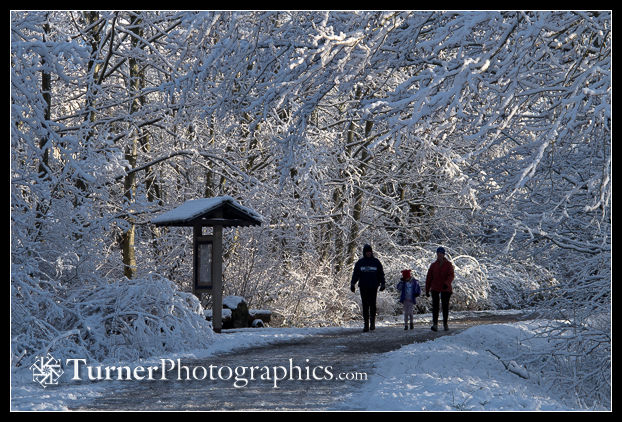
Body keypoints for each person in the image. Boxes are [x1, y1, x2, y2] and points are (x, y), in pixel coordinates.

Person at [350, 244, 386, 332]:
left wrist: (383, 284)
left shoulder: (376, 262)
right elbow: (356, 274)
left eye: (370, 252)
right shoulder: (360, 263)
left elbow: (381, 274)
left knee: (373, 305)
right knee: (365, 305)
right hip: (363, 286)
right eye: (367, 252)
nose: (368, 253)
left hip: (373, 286)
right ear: (364, 253)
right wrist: (352, 284)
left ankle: (372, 323)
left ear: (371, 252)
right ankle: (366, 324)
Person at [425, 247, 454, 332]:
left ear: (444, 254)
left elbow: (451, 275)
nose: (439, 255)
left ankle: (445, 323)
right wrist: (427, 289)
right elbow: (429, 277)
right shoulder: (433, 265)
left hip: (446, 288)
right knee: (435, 307)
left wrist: (447, 283)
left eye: (441, 253)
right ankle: (435, 324)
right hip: (435, 287)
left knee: (445, 306)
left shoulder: (448, 264)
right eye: (438, 253)